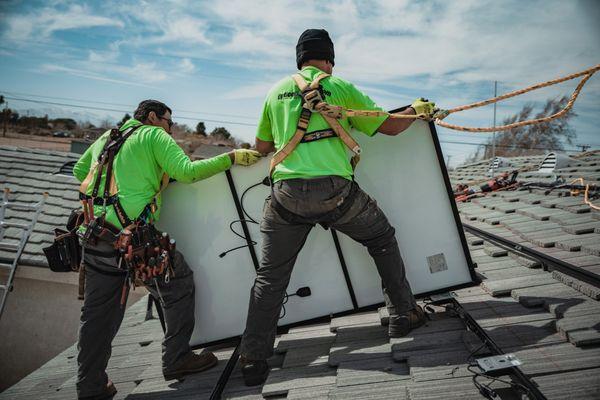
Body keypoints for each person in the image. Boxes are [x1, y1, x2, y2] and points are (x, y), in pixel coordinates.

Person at [239, 29, 438, 386]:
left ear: (299, 59)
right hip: (336, 193)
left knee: (269, 277)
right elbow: (389, 127)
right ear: (329, 59)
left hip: (286, 197)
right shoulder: (340, 87)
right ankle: (402, 314)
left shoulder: (275, 92)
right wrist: (416, 110)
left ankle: (253, 359)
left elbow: (263, 146)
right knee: (382, 238)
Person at [73, 99, 262, 400]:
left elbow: (79, 171)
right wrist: (232, 157)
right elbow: (186, 171)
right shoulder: (153, 135)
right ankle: (176, 359)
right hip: (133, 241)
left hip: (94, 236)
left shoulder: (109, 138)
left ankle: (90, 387)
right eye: (169, 122)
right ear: (152, 117)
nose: (170, 129)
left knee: (96, 317)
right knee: (178, 284)